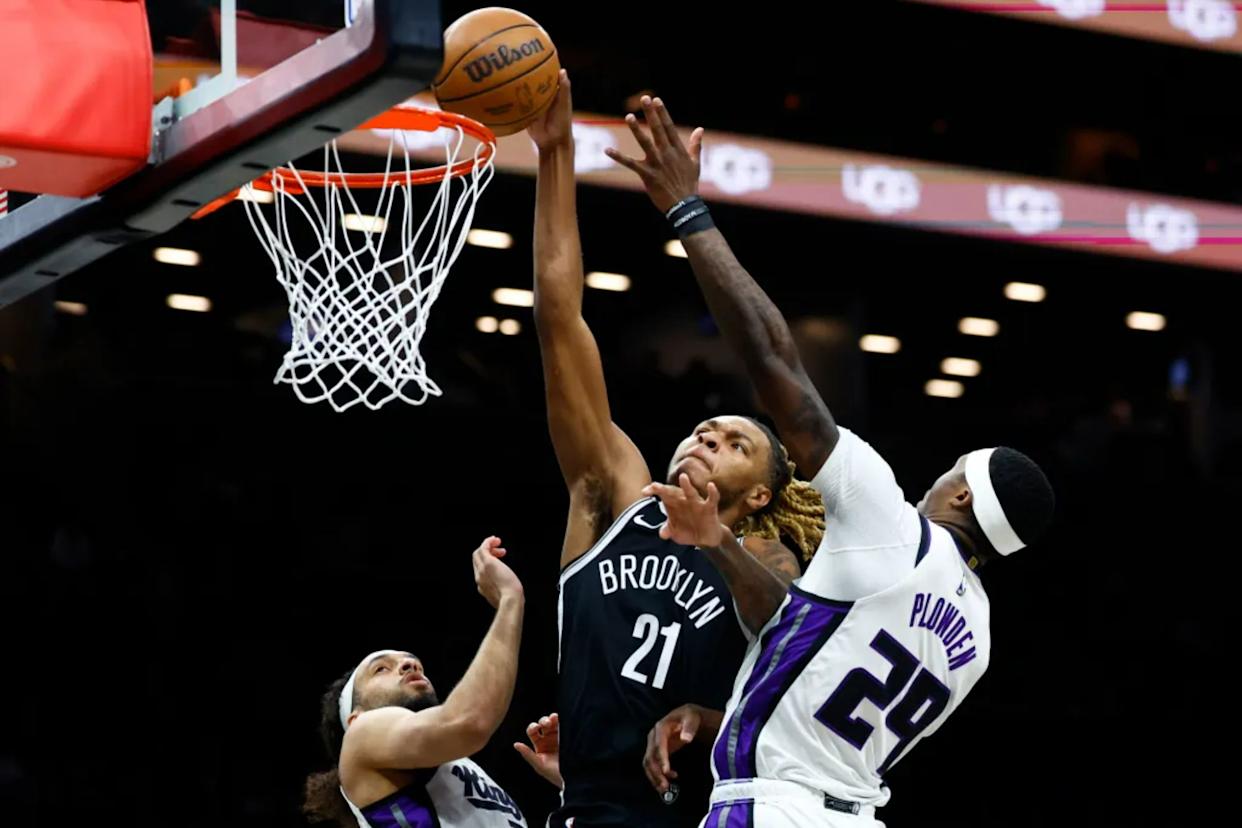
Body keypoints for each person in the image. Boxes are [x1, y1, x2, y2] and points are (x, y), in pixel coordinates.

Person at [611, 96, 1055, 827]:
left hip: (773, 810)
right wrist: (720, 713)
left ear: (964, 497)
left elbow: (774, 359)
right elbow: (819, 685)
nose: (934, 479)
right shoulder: (974, 640)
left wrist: (688, 212)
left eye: (950, 471)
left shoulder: (892, 524)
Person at [525, 70, 825, 827]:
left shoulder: (767, 560)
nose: (706, 438)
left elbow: (798, 671)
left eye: (734, 443)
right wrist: (555, 153)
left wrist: (706, 714)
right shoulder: (611, 498)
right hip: (586, 811)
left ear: (759, 493)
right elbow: (560, 318)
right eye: (703, 431)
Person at [303, 536, 529, 828]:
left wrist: (566, 784)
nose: (410, 665)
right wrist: (510, 599)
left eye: (415, 663)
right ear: (354, 717)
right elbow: (470, 721)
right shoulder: (361, 735)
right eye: (381, 669)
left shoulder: (456, 766)